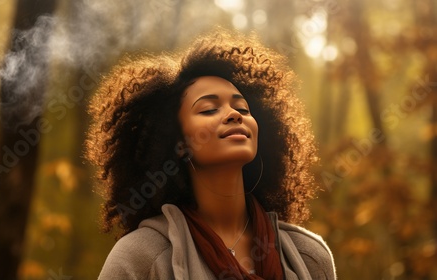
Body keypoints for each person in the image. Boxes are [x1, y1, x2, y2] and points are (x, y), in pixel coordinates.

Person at [86, 29, 336, 280]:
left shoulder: (309, 256)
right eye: (208, 110)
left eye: (242, 108)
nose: (234, 114)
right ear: (179, 142)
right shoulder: (141, 258)